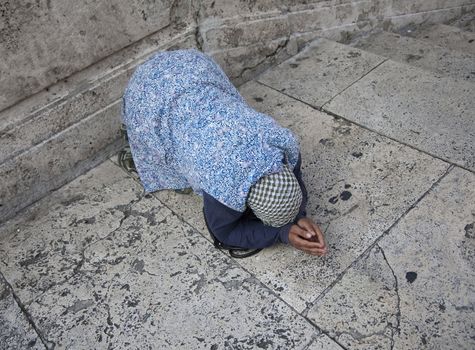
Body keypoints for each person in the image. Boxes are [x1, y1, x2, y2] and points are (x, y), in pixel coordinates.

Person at [120, 48, 327, 257]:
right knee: (174, 173)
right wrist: (281, 234)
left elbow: (295, 171)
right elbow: (225, 233)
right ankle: (127, 132)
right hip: (148, 94)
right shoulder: (220, 185)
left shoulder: (282, 145)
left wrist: (299, 215)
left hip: (190, 67)